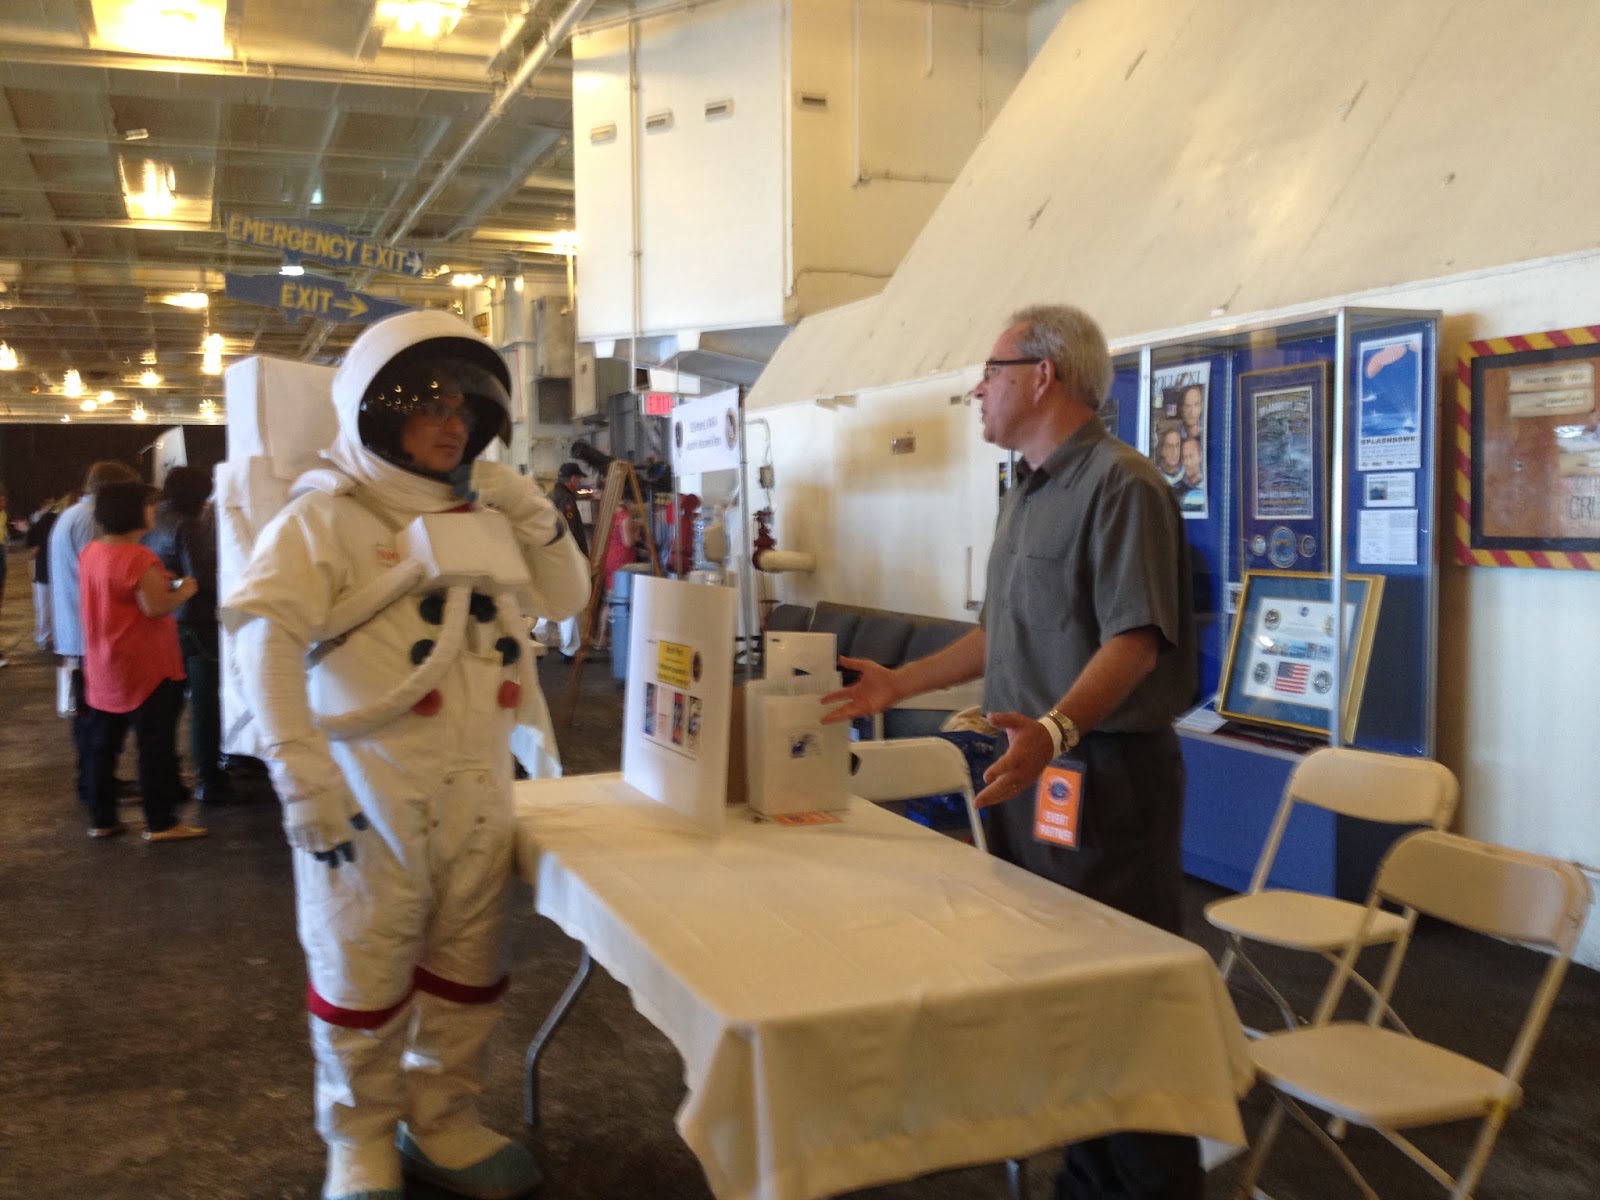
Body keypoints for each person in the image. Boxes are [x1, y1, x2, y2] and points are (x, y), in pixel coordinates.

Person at [822, 304, 1199, 1200]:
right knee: (1059, 991)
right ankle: (1087, 1177)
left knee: (1121, 996)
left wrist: (1057, 732)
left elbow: (1135, 642)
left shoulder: (1123, 486)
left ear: (1042, 375)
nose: (978, 390)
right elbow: (1000, 636)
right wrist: (897, 686)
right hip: (1032, 770)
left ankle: (1149, 1184)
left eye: (990, 372)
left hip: (1104, 780)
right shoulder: (1025, 491)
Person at [226, 309, 589, 1200]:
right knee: (362, 962)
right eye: (429, 405)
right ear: (377, 411)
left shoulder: (486, 514)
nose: (451, 424)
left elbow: (565, 598)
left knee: (468, 966)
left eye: (464, 408)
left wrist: (529, 509)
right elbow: (266, 638)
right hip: (367, 786)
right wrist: (300, 776)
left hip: (478, 782)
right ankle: (358, 1139)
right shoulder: (327, 517)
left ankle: (443, 1118)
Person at [78, 480, 206, 841]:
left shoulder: (92, 552)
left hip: (103, 665)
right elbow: (155, 606)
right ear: (132, 511)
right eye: (148, 504)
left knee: (104, 747)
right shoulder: (138, 558)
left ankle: (102, 819)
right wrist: (187, 589)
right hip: (145, 668)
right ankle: (161, 822)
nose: (154, 509)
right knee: (154, 747)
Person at [49, 462, 142, 813]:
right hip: (88, 633)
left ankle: (96, 782)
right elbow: (107, 572)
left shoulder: (73, 514)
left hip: (76, 631)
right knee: (97, 720)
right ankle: (95, 786)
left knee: (89, 718)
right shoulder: (90, 520)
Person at [145, 467, 229, 806]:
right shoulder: (187, 525)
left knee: (169, 707)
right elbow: (202, 578)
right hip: (197, 623)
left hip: (168, 621)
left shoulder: (155, 521)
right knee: (205, 705)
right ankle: (210, 780)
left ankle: (169, 779)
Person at [546, 462, 589, 662]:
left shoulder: (552, 495)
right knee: (570, 602)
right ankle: (570, 649)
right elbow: (569, 531)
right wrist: (577, 556)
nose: (579, 483)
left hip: (552, 556)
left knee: (550, 598)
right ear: (572, 479)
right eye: (578, 479)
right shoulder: (566, 499)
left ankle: (537, 636)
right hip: (566, 557)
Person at [26, 494, 64, 652]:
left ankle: (44, 636)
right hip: (56, 570)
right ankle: (50, 636)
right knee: (54, 606)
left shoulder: (43, 520)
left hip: (42, 570)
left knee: (43, 606)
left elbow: (31, 547)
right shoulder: (56, 519)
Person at [1175, 436, 1205, 514]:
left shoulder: (1209, 487)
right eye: (1184, 457)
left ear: (1200, 456)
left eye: (1191, 457)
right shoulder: (1176, 490)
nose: (1187, 462)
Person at [1153, 422, 1184, 486]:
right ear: (1162, 450)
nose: (1174, 451)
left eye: (1177, 446)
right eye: (1170, 446)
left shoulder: (1187, 473)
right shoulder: (1156, 477)